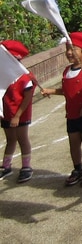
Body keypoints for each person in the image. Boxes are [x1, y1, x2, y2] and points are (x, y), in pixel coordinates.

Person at [40, 32, 82, 187]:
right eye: (67, 48)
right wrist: (52, 91)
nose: (68, 52)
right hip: (72, 115)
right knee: (73, 142)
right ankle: (77, 169)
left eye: (73, 48)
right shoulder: (66, 71)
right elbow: (66, 90)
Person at [0, 40, 36, 183]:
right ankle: (6, 166)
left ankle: (26, 167)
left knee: (22, 138)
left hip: (20, 114)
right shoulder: (3, 76)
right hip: (7, 114)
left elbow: (27, 98)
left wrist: (17, 116)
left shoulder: (25, 78)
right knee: (10, 140)